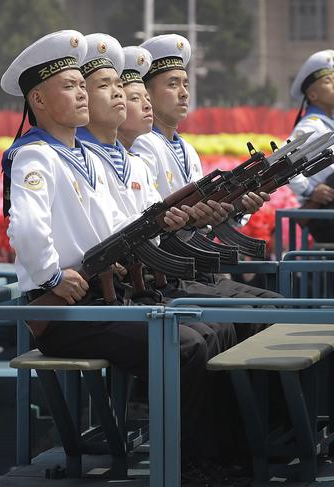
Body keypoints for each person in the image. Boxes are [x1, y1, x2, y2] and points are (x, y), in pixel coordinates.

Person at [1, 29, 228, 487]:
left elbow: (119, 219)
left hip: (103, 297)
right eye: (71, 86)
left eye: (83, 85)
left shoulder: (80, 153)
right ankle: (188, 466)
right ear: (39, 101)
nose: (83, 93)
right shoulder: (34, 155)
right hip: (67, 311)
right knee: (184, 346)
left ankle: (215, 454)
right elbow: (25, 227)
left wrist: (145, 240)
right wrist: (49, 278)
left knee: (209, 329)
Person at [75, 35, 235, 355]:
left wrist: (226, 207)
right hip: (104, 291)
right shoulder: (75, 158)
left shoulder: (133, 160)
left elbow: (145, 221)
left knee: (227, 325)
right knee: (197, 340)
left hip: (140, 282)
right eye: (111, 88)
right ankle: (150, 406)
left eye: (123, 90)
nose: (128, 99)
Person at [131, 34, 281, 341]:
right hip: (169, 272)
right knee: (264, 313)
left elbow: (205, 217)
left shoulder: (185, 148)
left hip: (193, 265)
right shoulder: (144, 146)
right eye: (172, 84)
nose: (184, 93)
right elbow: (153, 220)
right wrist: (194, 217)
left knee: (273, 308)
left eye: (185, 84)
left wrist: (235, 208)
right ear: (147, 93)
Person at [288, 50, 334, 243]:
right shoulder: (310, 126)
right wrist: (310, 192)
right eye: (329, 82)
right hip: (329, 214)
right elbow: (283, 164)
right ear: (312, 94)